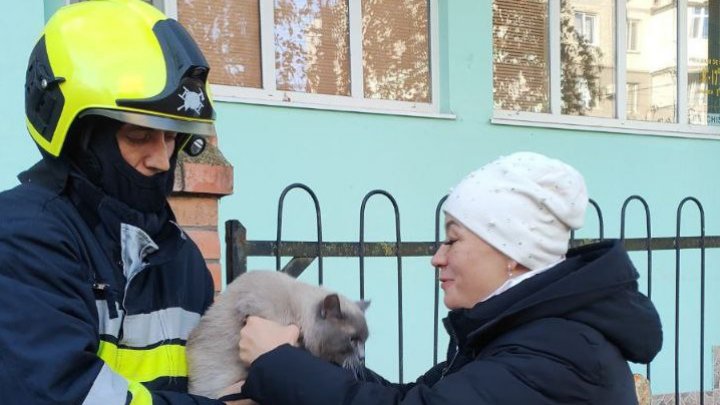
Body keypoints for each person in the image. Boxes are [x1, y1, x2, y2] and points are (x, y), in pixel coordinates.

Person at [236, 152, 663, 404]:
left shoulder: (559, 353)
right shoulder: (521, 334)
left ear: (512, 255)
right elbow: (417, 397)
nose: (437, 258)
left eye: (453, 241)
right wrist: (310, 354)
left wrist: (277, 363)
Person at [0, 0, 237, 403]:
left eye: (172, 137)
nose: (162, 159)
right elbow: (62, 395)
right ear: (80, 136)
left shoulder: (182, 260)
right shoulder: (20, 239)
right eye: (139, 136)